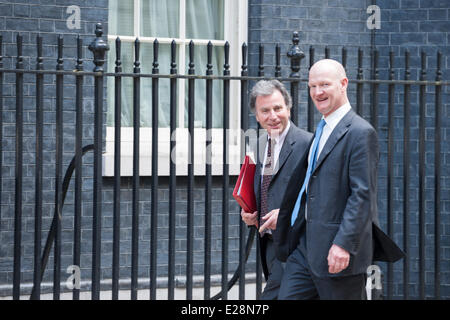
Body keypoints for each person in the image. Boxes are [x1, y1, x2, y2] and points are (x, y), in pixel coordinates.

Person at [276, 59, 381, 300]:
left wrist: (344, 244)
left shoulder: (360, 132)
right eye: (312, 86)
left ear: (343, 84)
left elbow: (362, 195)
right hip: (304, 249)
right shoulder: (321, 129)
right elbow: (310, 187)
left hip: (337, 252)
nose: (317, 92)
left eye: (324, 84)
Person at [240, 80, 312, 300]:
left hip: (298, 246)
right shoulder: (259, 144)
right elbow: (263, 189)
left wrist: (286, 215)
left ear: (288, 109)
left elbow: (320, 197)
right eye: (265, 110)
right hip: (270, 245)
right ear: (257, 116)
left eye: (278, 108)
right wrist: (248, 213)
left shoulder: (308, 144)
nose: (273, 116)